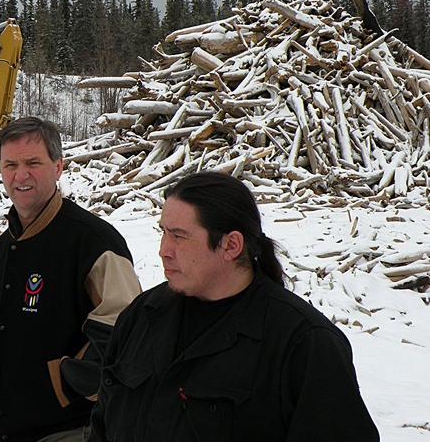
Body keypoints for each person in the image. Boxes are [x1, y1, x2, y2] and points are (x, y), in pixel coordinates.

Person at [89, 171, 380, 441]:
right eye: (163, 232)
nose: (163, 250)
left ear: (231, 245)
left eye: (179, 236)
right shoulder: (142, 315)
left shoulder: (303, 343)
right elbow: (104, 424)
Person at [0, 116, 142, 442]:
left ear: (58, 167)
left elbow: (126, 332)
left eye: (33, 163)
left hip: (68, 430)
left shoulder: (92, 242)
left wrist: (67, 384)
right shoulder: (6, 245)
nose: (20, 174)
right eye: (10, 164)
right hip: (11, 428)